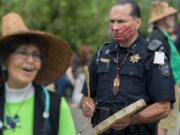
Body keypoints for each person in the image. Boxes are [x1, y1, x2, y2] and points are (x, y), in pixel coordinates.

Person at [80, 1, 175, 135]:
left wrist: (133, 119)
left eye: (121, 21)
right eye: (112, 21)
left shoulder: (152, 55)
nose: (115, 27)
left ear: (137, 23)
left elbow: (163, 107)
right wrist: (86, 106)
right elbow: (87, 96)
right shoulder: (103, 52)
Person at [0, 12, 76, 135]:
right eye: (23, 52)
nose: (30, 60)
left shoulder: (55, 105)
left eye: (36, 54)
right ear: (4, 59)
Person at [148, 2, 180, 135]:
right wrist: (164, 89)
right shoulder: (157, 36)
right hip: (169, 86)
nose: (173, 19)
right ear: (162, 19)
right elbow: (158, 64)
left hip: (175, 83)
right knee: (164, 123)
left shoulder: (164, 35)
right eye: (170, 16)